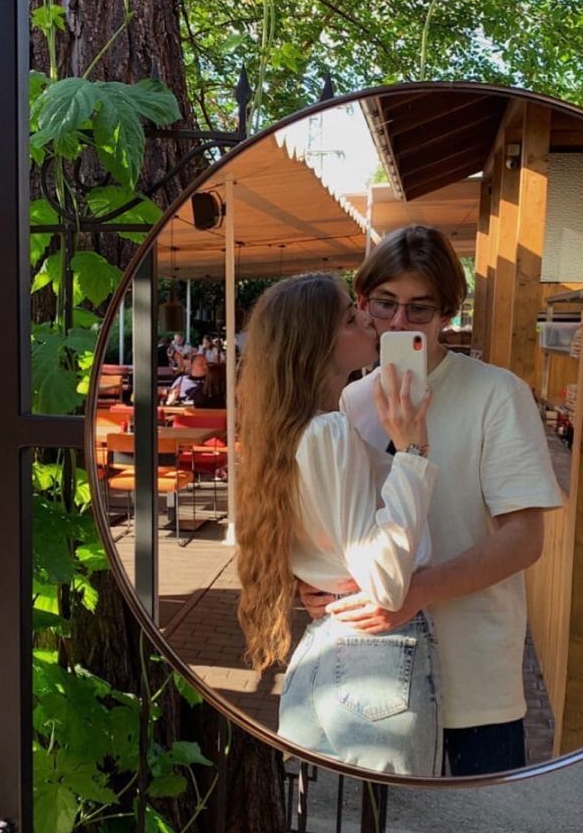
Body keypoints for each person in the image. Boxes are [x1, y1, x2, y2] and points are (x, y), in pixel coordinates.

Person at [301, 225, 562, 777]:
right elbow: (342, 520)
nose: (398, 323)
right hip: (370, 670)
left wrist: (415, 593)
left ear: (449, 313)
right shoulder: (350, 398)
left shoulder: (498, 393)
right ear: (362, 300)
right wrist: (315, 578)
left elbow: (524, 538)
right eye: (384, 304)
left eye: (419, 310)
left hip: (474, 679)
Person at [236, 273, 442, 775]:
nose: (370, 320)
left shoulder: (292, 431)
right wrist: (413, 449)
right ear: (318, 345)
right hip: (376, 653)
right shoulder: (327, 432)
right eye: (352, 317)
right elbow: (386, 584)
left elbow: (326, 545)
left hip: (325, 647)